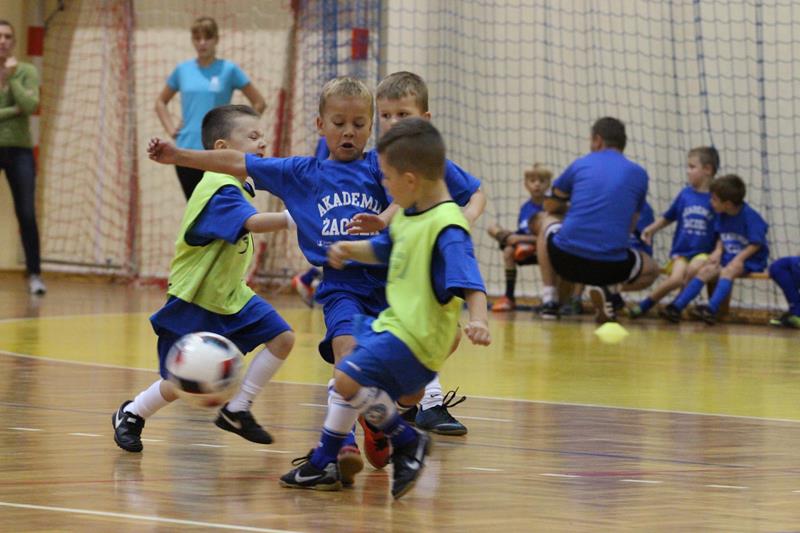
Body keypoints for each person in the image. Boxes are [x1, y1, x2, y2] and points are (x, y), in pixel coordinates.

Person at [147, 77, 393, 485]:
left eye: (359, 124)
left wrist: (387, 219)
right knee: (347, 360)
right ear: (320, 125)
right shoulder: (300, 172)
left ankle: (380, 421)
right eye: (338, 123)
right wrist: (179, 155)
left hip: (391, 287)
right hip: (343, 288)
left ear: (371, 127)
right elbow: (237, 163)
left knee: (394, 385)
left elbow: (422, 188)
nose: (348, 132)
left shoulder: (381, 167)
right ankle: (340, 446)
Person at [278, 118, 490, 498]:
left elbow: (470, 281)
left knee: (347, 378)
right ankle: (327, 459)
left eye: (387, 179)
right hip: (394, 327)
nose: (384, 187)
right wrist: (350, 249)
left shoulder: (448, 227)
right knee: (348, 380)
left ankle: (405, 439)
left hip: (418, 338)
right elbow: (385, 248)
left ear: (410, 180)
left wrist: (479, 321)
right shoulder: (410, 214)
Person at [113, 105, 294, 453]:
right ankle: (133, 412)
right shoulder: (218, 187)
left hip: (231, 296)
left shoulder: (237, 185)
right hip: (196, 299)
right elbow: (252, 223)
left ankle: (238, 409)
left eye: (262, 136)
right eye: (252, 136)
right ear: (222, 148)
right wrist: (294, 218)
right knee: (181, 381)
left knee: (282, 338)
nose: (262, 142)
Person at [348, 70, 487, 438]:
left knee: (443, 334)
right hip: (380, 266)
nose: (393, 123)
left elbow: (476, 193)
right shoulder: (370, 161)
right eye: (386, 115)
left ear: (424, 119)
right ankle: (386, 412)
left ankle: (415, 403)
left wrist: (467, 216)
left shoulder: (428, 163)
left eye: (403, 115)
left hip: (415, 268)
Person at [535, 117, 659, 323]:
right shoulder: (640, 174)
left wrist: (570, 208)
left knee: (547, 220)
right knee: (652, 269)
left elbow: (550, 205)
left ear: (598, 140)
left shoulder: (581, 164)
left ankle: (549, 300)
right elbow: (630, 226)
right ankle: (609, 290)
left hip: (566, 260)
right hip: (612, 268)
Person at [155, 16, 266, 200]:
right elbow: (160, 102)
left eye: (207, 37)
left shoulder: (228, 70)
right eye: (197, 38)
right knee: (196, 206)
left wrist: (242, 131)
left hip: (217, 152)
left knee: (221, 205)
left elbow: (259, 102)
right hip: (187, 149)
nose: (202, 43)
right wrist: (172, 129)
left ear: (216, 39)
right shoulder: (182, 70)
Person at [660, 174, 768, 324]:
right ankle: (677, 307)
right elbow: (721, 236)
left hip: (749, 259)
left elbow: (756, 244)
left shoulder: (751, 217)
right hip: (729, 257)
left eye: (714, 199)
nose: (710, 202)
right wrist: (718, 251)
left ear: (727, 204)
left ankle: (711, 310)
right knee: (706, 270)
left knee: (729, 271)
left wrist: (739, 259)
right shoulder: (722, 214)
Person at [629, 147, 719, 318]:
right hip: (682, 252)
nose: (687, 171)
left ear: (707, 169)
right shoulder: (685, 194)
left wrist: (718, 252)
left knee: (693, 269)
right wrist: (651, 229)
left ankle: (676, 306)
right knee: (676, 278)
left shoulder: (715, 199)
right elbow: (669, 217)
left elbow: (722, 228)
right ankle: (645, 305)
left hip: (704, 253)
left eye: (692, 167)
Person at [0, 20, 44, 295]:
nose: (2, 41)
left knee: (26, 212)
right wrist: (12, 111)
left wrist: (12, 77)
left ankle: (35, 274)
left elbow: (31, 105)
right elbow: (19, 109)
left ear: (14, 42)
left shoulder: (26, 71)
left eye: (7, 36)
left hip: (20, 151)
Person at [487, 163, 551, 312]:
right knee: (497, 234)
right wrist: (513, 237)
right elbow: (523, 230)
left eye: (541, 181)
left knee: (513, 244)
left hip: (541, 248)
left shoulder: (549, 206)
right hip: (522, 244)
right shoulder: (525, 207)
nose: (537, 184)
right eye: (533, 181)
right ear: (526, 184)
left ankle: (551, 298)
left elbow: (549, 236)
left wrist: (519, 239)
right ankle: (509, 297)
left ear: (548, 184)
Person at [768, 256, 800, 329]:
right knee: (793, 296)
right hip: (780, 268)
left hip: (782, 267)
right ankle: (795, 315)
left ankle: (794, 315)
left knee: (793, 296)